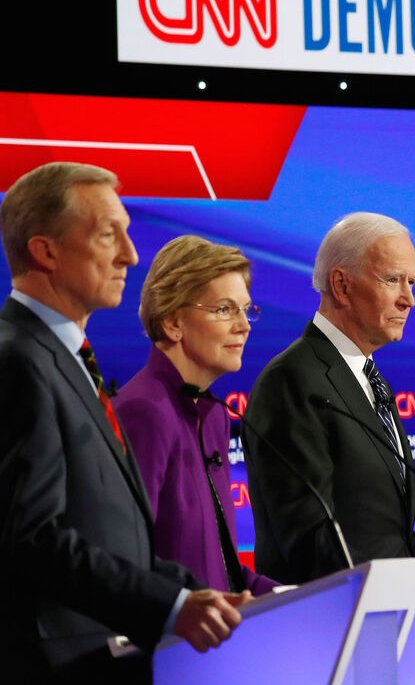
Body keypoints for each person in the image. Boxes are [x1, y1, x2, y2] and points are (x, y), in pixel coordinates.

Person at [0, 162, 249, 681]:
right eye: (108, 234)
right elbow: (31, 540)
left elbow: (115, 540)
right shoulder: (17, 359)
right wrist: (171, 606)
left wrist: (195, 595)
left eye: (128, 234)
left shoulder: (66, 360)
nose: (130, 255)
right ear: (45, 251)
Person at [242, 212, 415, 584]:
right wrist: (398, 585)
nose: (409, 300)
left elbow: (388, 532)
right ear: (342, 285)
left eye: (411, 282)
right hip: (330, 611)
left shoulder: (368, 377)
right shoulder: (292, 381)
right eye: (393, 280)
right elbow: (309, 539)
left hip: (382, 605)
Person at [114, 235, 279, 597]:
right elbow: (126, 563)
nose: (244, 325)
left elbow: (223, 571)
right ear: (173, 322)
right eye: (225, 309)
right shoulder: (143, 412)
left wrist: (297, 598)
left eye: (246, 309)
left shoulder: (214, 415)